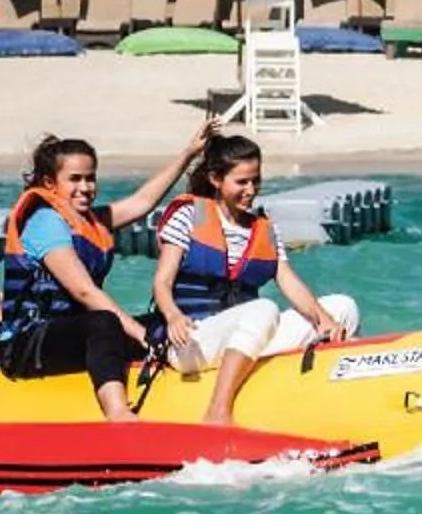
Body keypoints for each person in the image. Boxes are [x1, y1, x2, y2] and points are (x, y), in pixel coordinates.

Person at [0, 121, 210, 421]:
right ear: (49, 183)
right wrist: (140, 335)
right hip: (27, 345)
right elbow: (84, 291)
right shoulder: (45, 221)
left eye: (90, 178)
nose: (85, 188)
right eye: (74, 179)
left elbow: (142, 202)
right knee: (105, 322)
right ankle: (118, 413)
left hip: (76, 335)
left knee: (163, 320)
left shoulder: (91, 221)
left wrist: (189, 153)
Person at [153, 133, 358, 427]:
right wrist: (172, 316)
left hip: (244, 337)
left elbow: (288, 281)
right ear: (216, 180)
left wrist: (324, 320)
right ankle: (217, 411)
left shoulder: (265, 229)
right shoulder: (189, 216)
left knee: (343, 307)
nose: (251, 190)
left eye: (256, 180)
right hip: (193, 342)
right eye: (242, 182)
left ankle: (340, 393)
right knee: (264, 309)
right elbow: (161, 281)